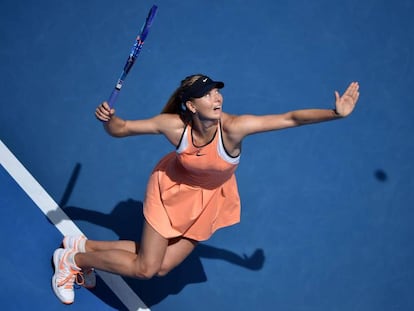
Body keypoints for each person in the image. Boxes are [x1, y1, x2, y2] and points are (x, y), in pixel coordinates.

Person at [51, 74, 360, 304]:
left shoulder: (235, 128)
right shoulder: (174, 127)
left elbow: (289, 118)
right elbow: (123, 129)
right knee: (146, 268)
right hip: (169, 191)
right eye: (207, 95)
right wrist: (110, 120)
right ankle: (73, 261)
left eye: (216, 92)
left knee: (163, 267)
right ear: (190, 105)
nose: (216, 99)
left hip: (209, 200)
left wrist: (334, 113)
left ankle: (84, 246)